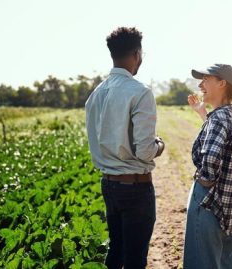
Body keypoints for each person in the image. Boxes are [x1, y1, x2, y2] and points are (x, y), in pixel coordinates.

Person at [85, 26, 165, 269]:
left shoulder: (96, 94)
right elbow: (144, 151)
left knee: (116, 250)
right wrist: (159, 145)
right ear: (137, 55)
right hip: (135, 188)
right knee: (135, 259)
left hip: (108, 184)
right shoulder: (140, 93)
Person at [183, 64, 232, 269]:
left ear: (221, 83)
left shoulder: (219, 118)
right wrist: (203, 113)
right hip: (230, 204)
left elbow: (210, 162)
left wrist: (203, 186)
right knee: (227, 262)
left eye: (205, 79)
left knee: (202, 263)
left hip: (209, 202)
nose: (200, 84)